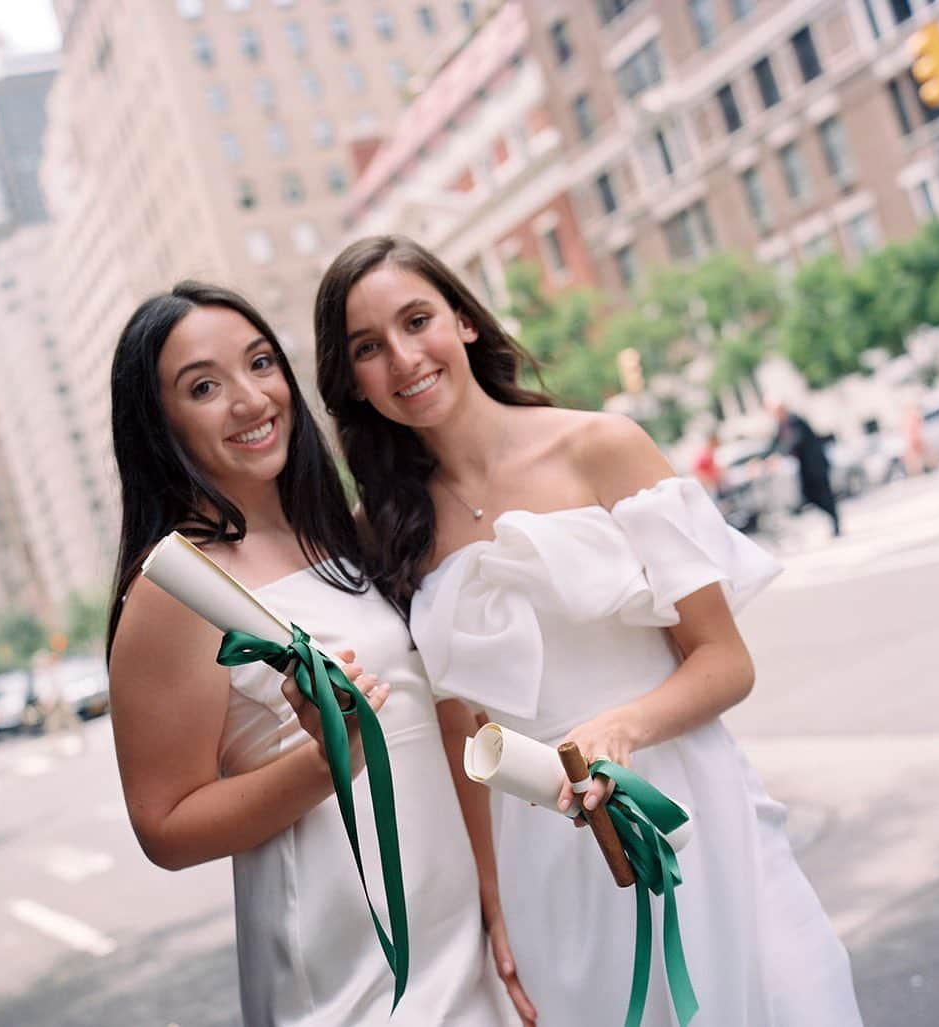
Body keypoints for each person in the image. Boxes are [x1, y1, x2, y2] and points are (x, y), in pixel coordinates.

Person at [314, 235, 864, 1026]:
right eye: (369, 347)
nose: (402, 358)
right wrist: (493, 898)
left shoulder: (602, 447)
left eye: (416, 320)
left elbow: (724, 661)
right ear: (353, 382)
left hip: (688, 811)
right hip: (545, 855)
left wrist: (621, 726)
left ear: (464, 320)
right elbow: (458, 733)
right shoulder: (384, 532)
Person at [107, 281, 516, 1027]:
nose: (250, 398)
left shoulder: (343, 537)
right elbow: (162, 826)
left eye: (260, 363)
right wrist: (325, 758)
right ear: (158, 423)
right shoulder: (177, 586)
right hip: (342, 963)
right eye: (203, 386)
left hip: (454, 922)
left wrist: (494, 890)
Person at [764, 400, 841, 536]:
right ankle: (833, 520)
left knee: (824, 495)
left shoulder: (794, 420)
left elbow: (793, 440)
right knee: (809, 494)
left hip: (815, 464)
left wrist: (780, 454)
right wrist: (765, 458)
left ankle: (836, 524)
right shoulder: (782, 424)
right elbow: (775, 443)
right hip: (805, 467)